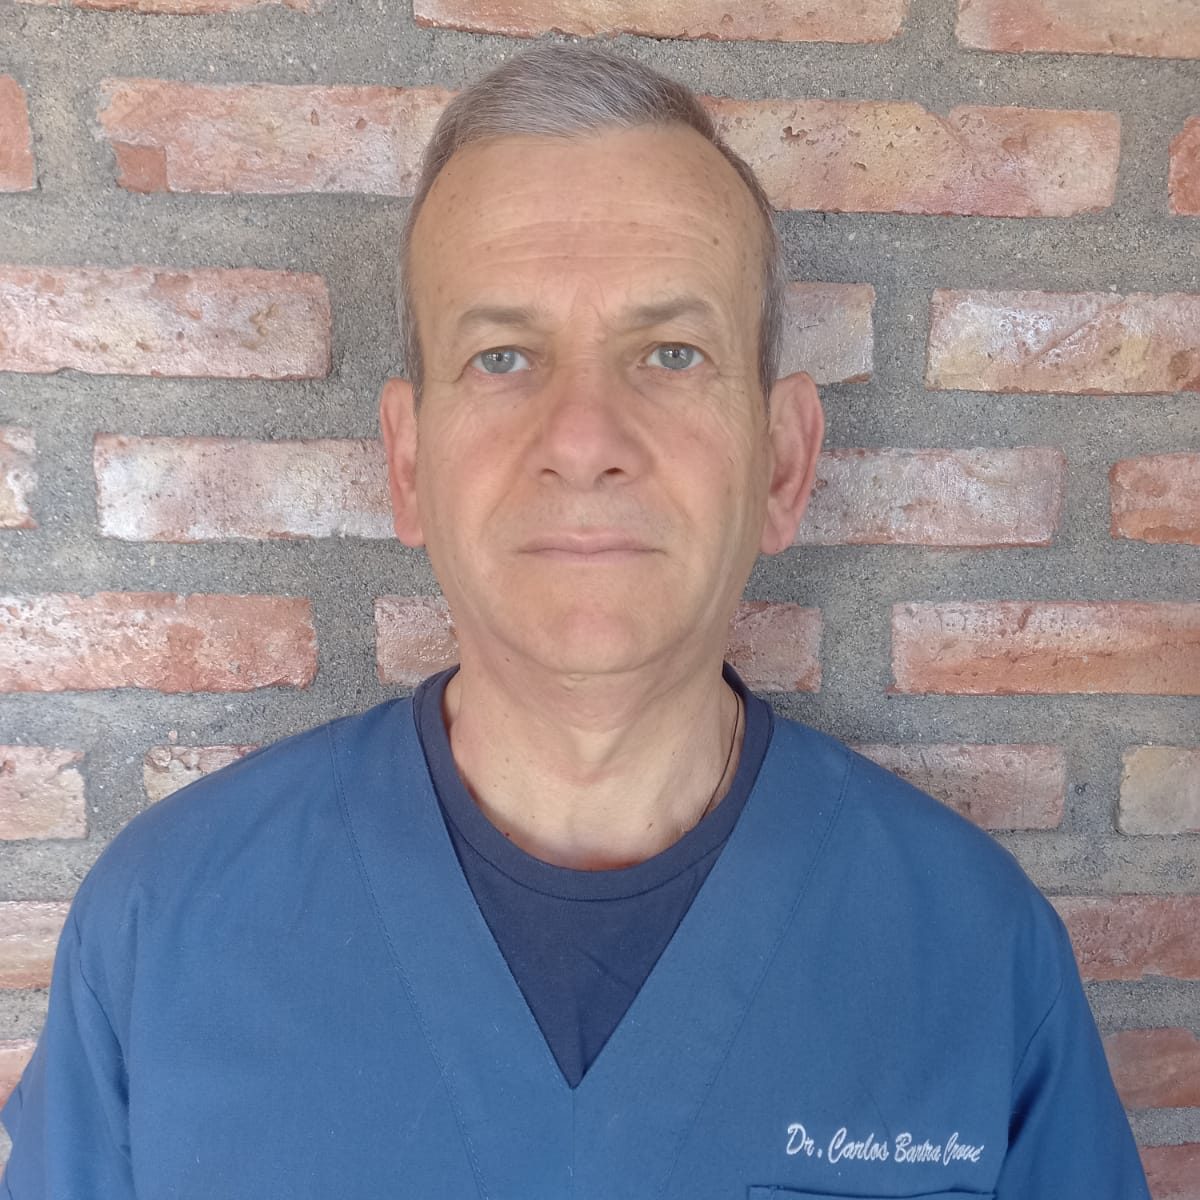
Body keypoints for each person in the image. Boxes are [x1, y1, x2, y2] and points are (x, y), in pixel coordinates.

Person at [2, 44, 1149, 1200]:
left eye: (672, 353)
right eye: (502, 357)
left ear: (784, 463)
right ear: (408, 462)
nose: (585, 437)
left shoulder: (979, 957)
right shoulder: (160, 936)